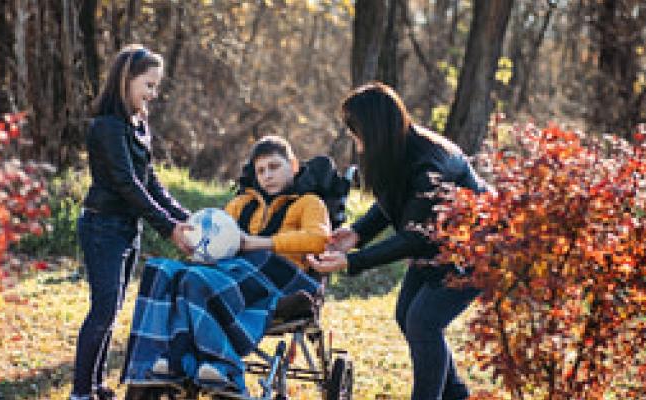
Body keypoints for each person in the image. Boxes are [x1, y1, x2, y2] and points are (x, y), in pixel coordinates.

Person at [308, 82, 490, 400]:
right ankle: (456, 395)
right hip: (437, 247)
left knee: (423, 322)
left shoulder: (429, 164)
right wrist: (358, 233)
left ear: (374, 129)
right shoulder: (398, 149)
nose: (354, 138)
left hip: (473, 250)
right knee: (407, 313)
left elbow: (414, 237)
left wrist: (353, 261)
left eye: (356, 130)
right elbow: (393, 202)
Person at [123, 136, 332, 399]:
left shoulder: (309, 203)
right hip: (232, 275)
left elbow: (318, 239)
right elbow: (217, 243)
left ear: (293, 165)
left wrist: (257, 243)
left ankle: (223, 368)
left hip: (280, 279)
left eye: (274, 167)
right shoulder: (240, 205)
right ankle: (162, 363)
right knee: (163, 271)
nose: (267, 175)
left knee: (199, 278)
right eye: (260, 170)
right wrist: (196, 242)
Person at [70, 44, 194, 400]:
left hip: (127, 229)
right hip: (102, 228)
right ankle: (81, 393)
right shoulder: (107, 127)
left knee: (112, 310)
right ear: (126, 80)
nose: (153, 94)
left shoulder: (138, 124)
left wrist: (186, 217)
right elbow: (128, 185)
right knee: (103, 309)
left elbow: (151, 181)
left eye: (156, 86)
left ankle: (95, 386)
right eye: (148, 85)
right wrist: (169, 227)